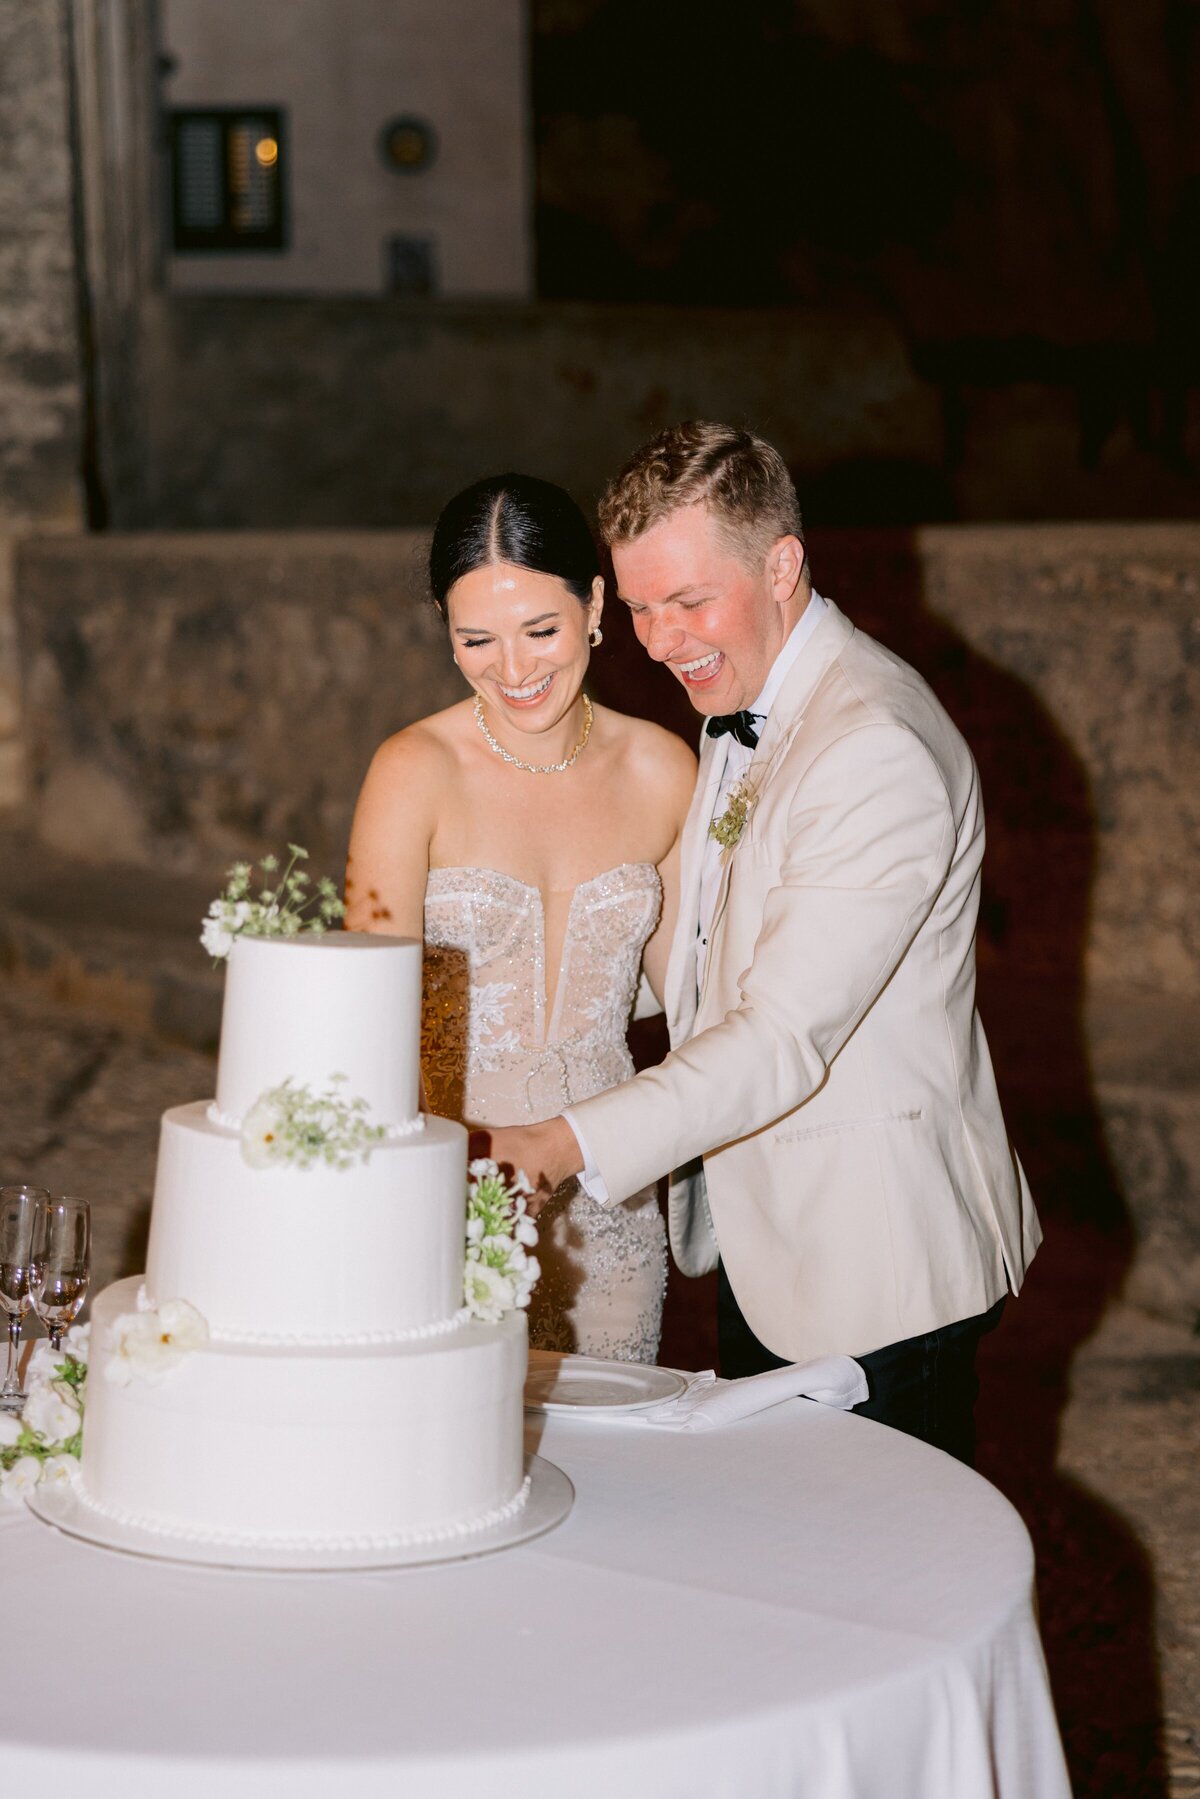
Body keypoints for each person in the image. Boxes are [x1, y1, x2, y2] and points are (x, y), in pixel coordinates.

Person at [487, 422, 1043, 1463]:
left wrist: (561, 1142)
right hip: (769, 1237)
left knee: (883, 1592)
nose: (659, 641)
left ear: (782, 562)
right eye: (640, 606)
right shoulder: (740, 702)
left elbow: (780, 1033)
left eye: (690, 601)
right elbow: (701, 952)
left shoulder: (872, 744)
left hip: (876, 1269)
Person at [345, 473, 696, 1363]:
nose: (515, 669)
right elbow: (363, 1021)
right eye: (477, 639)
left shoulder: (663, 771)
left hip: (609, 1207)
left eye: (541, 630)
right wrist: (440, 1172)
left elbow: (704, 1007)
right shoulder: (413, 770)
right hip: (445, 1196)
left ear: (595, 606)